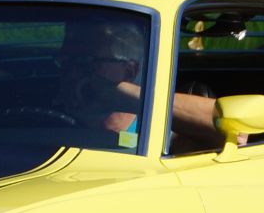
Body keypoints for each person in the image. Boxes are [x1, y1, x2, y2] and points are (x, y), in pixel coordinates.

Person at [54, 18, 229, 150]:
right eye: (65, 61)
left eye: (85, 62)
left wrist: (121, 96)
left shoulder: (161, 136)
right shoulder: (49, 123)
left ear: (130, 71)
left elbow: (234, 130)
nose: (71, 74)